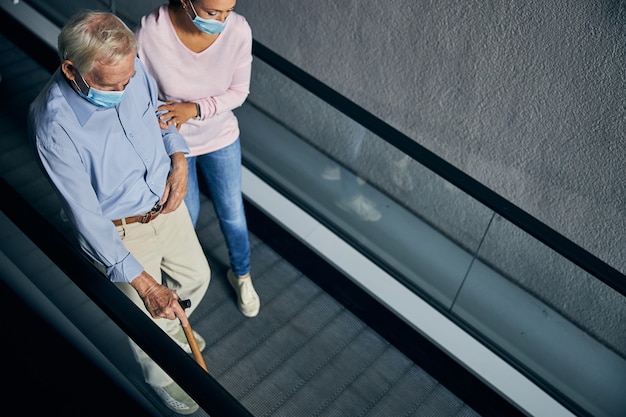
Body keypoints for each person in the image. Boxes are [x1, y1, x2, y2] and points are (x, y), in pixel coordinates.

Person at [28, 11, 211, 415]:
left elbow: (161, 116)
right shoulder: (52, 125)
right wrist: (146, 286)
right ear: (71, 68)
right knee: (147, 319)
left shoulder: (132, 69)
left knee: (198, 276)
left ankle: (175, 332)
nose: (125, 88)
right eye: (112, 84)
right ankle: (163, 374)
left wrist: (178, 157)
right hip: (121, 229)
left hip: (165, 204)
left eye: (128, 79)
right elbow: (85, 218)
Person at [135, 0, 260, 318]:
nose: (222, 20)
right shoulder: (151, 31)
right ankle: (174, 296)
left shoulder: (239, 31)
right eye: (212, 12)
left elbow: (239, 92)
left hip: (221, 138)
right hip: (174, 146)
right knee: (183, 220)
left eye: (228, 10)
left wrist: (194, 109)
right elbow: (140, 92)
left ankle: (242, 275)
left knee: (232, 213)